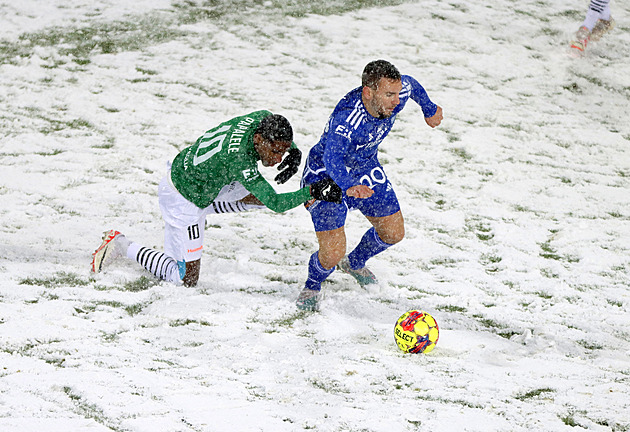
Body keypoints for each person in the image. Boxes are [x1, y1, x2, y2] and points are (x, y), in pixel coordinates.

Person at [91, 111, 342, 287]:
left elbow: (269, 115)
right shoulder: (239, 160)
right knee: (185, 280)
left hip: (199, 177)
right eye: (275, 151)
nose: (278, 159)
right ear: (257, 140)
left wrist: (295, 150)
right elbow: (277, 204)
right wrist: (312, 191)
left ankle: (209, 206)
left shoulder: (259, 120)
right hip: (184, 199)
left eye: (282, 151)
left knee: (258, 197)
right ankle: (121, 244)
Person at [296, 60, 443, 311]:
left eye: (397, 93)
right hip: (326, 176)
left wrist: (428, 108)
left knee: (393, 233)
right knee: (332, 253)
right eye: (388, 95)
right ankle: (312, 285)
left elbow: (412, 85)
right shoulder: (347, 119)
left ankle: (354, 263)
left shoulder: (398, 94)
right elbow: (332, 158)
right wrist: (349, 185)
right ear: (368, 92)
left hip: (364, 167)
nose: (396, 101)